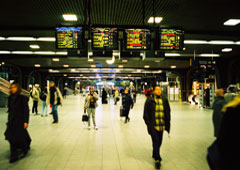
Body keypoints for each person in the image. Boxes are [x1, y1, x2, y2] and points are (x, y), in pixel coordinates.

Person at [143, 85, 171, 169]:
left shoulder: (164, 100)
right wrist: (149, 124)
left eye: (160, 89)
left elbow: (168, 111)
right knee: (156, 140)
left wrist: (168, 121)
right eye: (157, 89)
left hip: (161, 125)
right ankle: (157, 159)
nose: (159, 91)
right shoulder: (149, 100)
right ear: (153, 91)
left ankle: (155, 152)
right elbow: (145, 114)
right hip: (153, 126)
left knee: (159, 142)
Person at [4, 83, 31, 163]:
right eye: (11, 87)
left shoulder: (22, 98)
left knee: (19, 137)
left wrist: (26, 121)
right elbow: (10, 110)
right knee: (10, 137)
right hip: (12, 121)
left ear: (18, 88)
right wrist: (8, 120)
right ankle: (14, 155)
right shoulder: (10, 98)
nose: (13, 89)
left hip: (20, 121)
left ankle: (24, 148)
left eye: (14, 87)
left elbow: (26, 110)